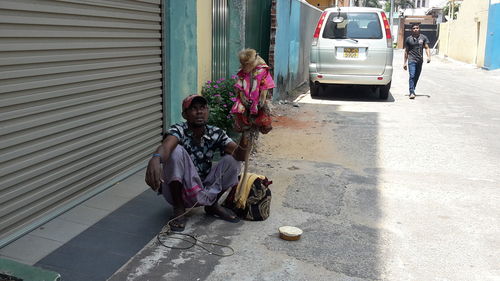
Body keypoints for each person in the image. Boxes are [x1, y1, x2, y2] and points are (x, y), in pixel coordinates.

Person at [145, 94, 250, 232]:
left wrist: (246, 132)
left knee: (233, 160)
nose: (199, 112)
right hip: (180, 191)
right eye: (193, 108)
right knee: (176, 151)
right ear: (185, 114)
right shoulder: (178, 130)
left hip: (203, 187)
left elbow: (240, 155)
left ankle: (212, 204)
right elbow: (166, 146)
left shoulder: (216, 133)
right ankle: (179, 208)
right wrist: (156, 158)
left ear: (207, 111)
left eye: (203, 108)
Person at [231, 48, 274, 134]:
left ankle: (262, 127)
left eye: (245, 65)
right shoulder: (243, 69)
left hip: (258, 96)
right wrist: (242, 96)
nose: (244, 67)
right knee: (238, 109)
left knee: (263, 110)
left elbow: (265, 85)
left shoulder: (262, 69)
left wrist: (262, 98)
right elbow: (239, 84)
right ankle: (242, 127)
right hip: (245, 95)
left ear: (252, 63)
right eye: (242, 65)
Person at [403, 23, 431, 99]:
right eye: (414, 28)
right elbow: (406, 51)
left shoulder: (423, 38)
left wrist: (429, 57)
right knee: (412, 75)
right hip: (411, 60)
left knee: (416, 76)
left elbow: (427, 47)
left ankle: (412, 89)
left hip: (419, 60)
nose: (416, 29)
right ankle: (411, 92)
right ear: (411, 30)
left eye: (417, 28)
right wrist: (405, 63)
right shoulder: (408, 39)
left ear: (419, 29)